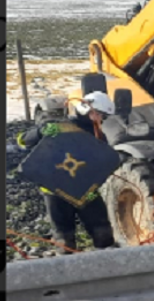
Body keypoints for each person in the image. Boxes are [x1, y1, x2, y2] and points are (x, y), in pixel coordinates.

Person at [16, 91, 117, 252]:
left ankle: (111, 266)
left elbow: (101, 163)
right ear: (89, 111)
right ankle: (67, 271)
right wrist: (40, 132)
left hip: (86, 190)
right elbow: (22, 141)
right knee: (64, 238)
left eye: (103, 117)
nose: (101, 120)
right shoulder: (58, 127)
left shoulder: (96, 135)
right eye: (100, 115)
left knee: (102, 232)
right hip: (55, 190)